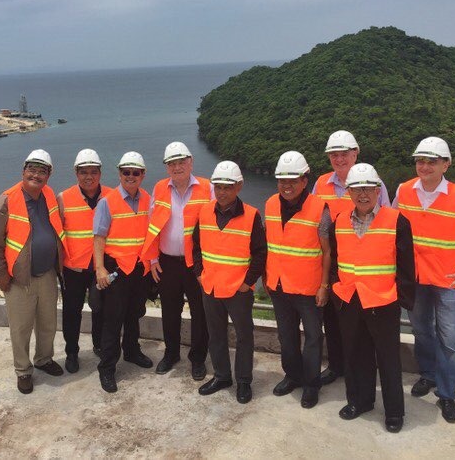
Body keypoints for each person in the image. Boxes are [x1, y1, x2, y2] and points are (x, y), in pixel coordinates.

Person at [394, 137, 455, 423]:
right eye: (420, 161)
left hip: (447, 280)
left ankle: (447, 394)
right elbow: (391, 224)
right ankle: (427, 375)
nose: (424, 166)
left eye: (431, 161)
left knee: (449, 340)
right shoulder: (403, 191)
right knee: (421, 330)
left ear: (445, 164)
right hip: (415, 279)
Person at [330, 163, 415, 433]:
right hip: (349, 299)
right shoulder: (340, 221)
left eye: (368, 188)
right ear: (348, 192)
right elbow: (335, 260)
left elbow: (406, 266)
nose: (362, 194)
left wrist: (401, 300)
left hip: (383, 300)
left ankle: (394, 412)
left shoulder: (396, 220)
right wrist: (336, 290)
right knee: (355, 355)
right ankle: (359, 401)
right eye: (356, 189)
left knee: (388, 358)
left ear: (378, 190)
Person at [0, 149, 65, 394]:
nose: (36, 175)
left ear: (49, 175)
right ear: (23, 171)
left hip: (47, 274)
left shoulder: (48, 195)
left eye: (42, 171)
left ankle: (44, 359)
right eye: (32, 170)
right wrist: (0, 273)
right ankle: (23, 371)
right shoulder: (6, 200)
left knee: (48, 323)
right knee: (21, 327)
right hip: (18, 279)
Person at [312, 130, 390, 386]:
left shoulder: (372, 182)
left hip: (364, 266)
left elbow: (386, 224)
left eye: (344, 154)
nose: (339, 159)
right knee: (332, 320)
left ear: (356, 153)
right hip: (332, 263)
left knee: (364, 322)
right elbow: (314, 219)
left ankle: (364, 368)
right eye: (334, 155)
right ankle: (337, 366)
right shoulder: (321, 183)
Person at [193, 161, 267, 404]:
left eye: (227, 187)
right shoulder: (204, 212)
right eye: (218, 187)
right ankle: (222, 376)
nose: (222, 192)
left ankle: (244, 381)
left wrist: (248, 282)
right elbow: (196, 246)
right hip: (211, 286)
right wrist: (199, 274)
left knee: (244, 335)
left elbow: (260, 253)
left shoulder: (252, 215)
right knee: (216, 335)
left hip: (238, 289)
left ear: (239, 186)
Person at [265, 151, 331, 408]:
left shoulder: (319, 207)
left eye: (292, 180)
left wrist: (324, 286)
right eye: (282, 180)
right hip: (279, 286)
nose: (287, 185)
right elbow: (270, 243)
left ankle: (312, 384)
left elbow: (327, 252)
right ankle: (292, 375)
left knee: (314, 337)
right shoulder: (270, 204)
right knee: (287, 337)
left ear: (305, 180)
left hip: (309, 288)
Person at [141, 141, 212, 380]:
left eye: (181, 162)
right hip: (167, 262)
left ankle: (198, 358)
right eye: (172, 163)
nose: (177, 167)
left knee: (200, 312)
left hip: (196, 264)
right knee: (169, 310)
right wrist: (151, 259)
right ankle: (171, 354)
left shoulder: (207, 187)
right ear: (166, 167)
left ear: (190, 162)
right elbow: (151, 225)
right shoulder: (160, 188)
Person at [93, 151, 153, 393]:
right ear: (119, 174)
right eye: (126, 172)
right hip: (117, 269)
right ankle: (107, 368)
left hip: (140, 269)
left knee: (134, 314)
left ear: (142, 175)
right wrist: (99, 268)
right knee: (112, 320)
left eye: (135, 173)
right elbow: (98, 237)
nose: (130, 176)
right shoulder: (107, 202)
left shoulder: (148, 200)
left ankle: (132, 351)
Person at [57, 148, 112, 374]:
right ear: (76, 173)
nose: (88, 176)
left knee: (101, 308)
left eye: (93, 172)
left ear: (100, 173)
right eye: (83, 172)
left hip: (101, 266)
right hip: (74, 267)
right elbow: (57, 233)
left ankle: (98, 344)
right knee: (72, 310)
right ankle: (72, 352)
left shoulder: (111, 196)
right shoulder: (63, 198)